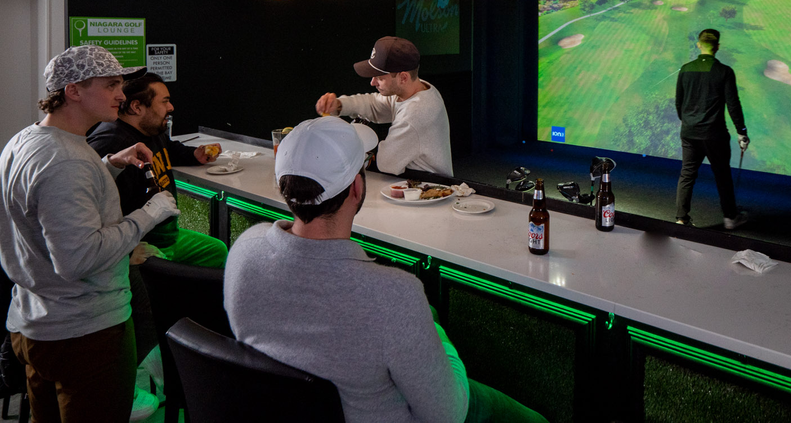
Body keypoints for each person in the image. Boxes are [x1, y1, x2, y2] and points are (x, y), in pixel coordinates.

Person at [224, 116, 547, 423]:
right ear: (356, 188)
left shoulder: (244, 251)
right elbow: (448, 413)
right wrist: (442, 345)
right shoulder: (394, 295)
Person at [0, 46, 181, 423]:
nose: (122, 95)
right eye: (111, 85)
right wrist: (149, 214)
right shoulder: (67, 162)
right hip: (84, 334)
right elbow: (78, 259)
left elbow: (51, 203)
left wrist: (109, 166)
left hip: (36, 322)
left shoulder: (26, 140)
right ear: (73, 91)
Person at [88, 72, 228, 268]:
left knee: (217, 250)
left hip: (167, 236)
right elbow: (95, 213)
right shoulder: (111, 143)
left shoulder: (150, 129)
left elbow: (168, 148)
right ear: (137, 107)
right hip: (142, 243)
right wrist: (128, 252)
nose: (171, 107)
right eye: (164, 101)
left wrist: (193, 155)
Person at [315, 36, 453, 176]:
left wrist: (358, 144)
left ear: (403, 77)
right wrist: (339, 105)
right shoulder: (414, 88)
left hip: (430, 184)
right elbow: (374, 104)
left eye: (379, 78)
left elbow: (386, 163)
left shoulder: (416, 113)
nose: (372, 82)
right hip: (414, 179)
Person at [674, 29, 750, 230]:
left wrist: (688, 122)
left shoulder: (685, 69)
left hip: (689, 132)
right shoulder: (724, 71)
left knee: (687, 174)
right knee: (722, 175)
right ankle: (730, 217)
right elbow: (733, 105)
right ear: (717, 47)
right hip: (714, 134)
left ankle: (681, 219)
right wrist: (741, 132)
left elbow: (679, 103)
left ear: (698, 44)